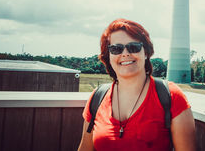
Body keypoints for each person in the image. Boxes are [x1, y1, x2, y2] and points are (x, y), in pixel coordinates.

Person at [78, 18, 196, 151]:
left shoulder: (172, 96)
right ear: (108, 56)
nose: (126, 53)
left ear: (145, 52)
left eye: (134, 47)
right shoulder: (97, 98)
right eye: (116, 49)